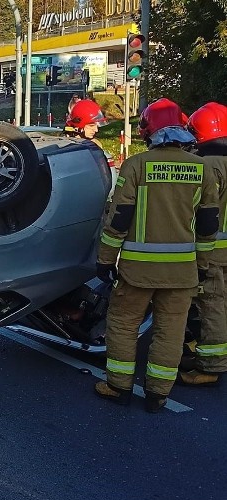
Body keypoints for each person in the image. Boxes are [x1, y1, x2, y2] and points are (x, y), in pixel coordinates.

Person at [94, 98, 220, 413]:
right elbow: (207, 227)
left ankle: (118, 386)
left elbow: (118, 219)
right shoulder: (203, 169)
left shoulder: (137, 165)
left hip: (138, 271)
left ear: (149, 131)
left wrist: (106, 259)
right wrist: (201, 267)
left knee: (123, 323)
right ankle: (158, 395)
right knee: (171, 330)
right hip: (182, 273)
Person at [180, 102, 227, 385]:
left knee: (211, 305)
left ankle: (210, 366)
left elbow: (198, 211)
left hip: (212, 250)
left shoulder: (207, 166)